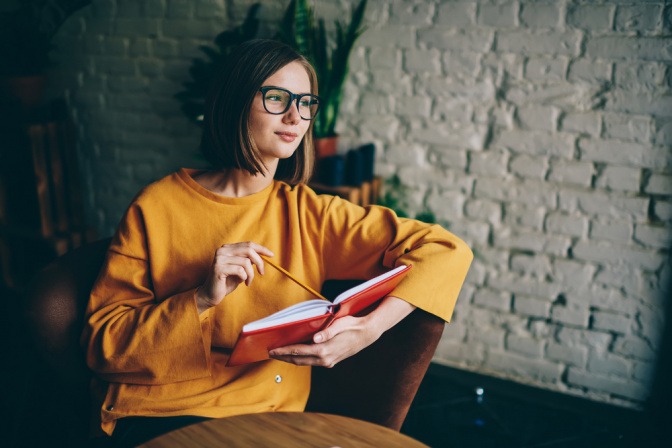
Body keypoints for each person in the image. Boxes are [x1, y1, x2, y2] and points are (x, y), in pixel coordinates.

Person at [81, 38, 473, 447]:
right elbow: (102, 347)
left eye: (305, 103)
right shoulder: (157, 206)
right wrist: (200, 299)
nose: (294, 116)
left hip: (267, 413)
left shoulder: (311, 215)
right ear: (235, 102)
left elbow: (446, 250)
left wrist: (368, 329)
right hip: (162, 409)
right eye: (276, 98)